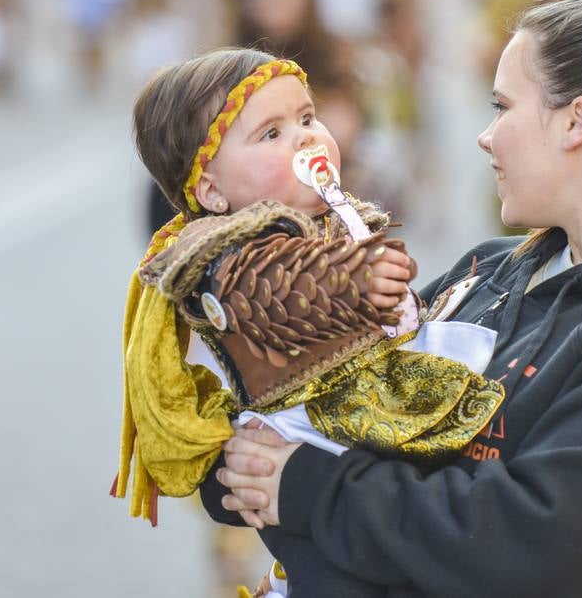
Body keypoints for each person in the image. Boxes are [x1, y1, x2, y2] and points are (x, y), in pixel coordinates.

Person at [210, 0, 582, 597]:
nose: (485, 136)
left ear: (578, 121)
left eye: (502, 106)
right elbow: (331, 408)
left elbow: (529, 546)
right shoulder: (493, 269)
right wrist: (234, 436)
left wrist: (312, 490)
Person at [114, 47, 504, 596]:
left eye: (306, 117)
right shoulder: (225, 252)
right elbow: (279, 292)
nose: (304, 137)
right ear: (211, 190)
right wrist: (356, 281)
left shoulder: (322, 219)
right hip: (311, 423)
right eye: (270, 134)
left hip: (354, 413)